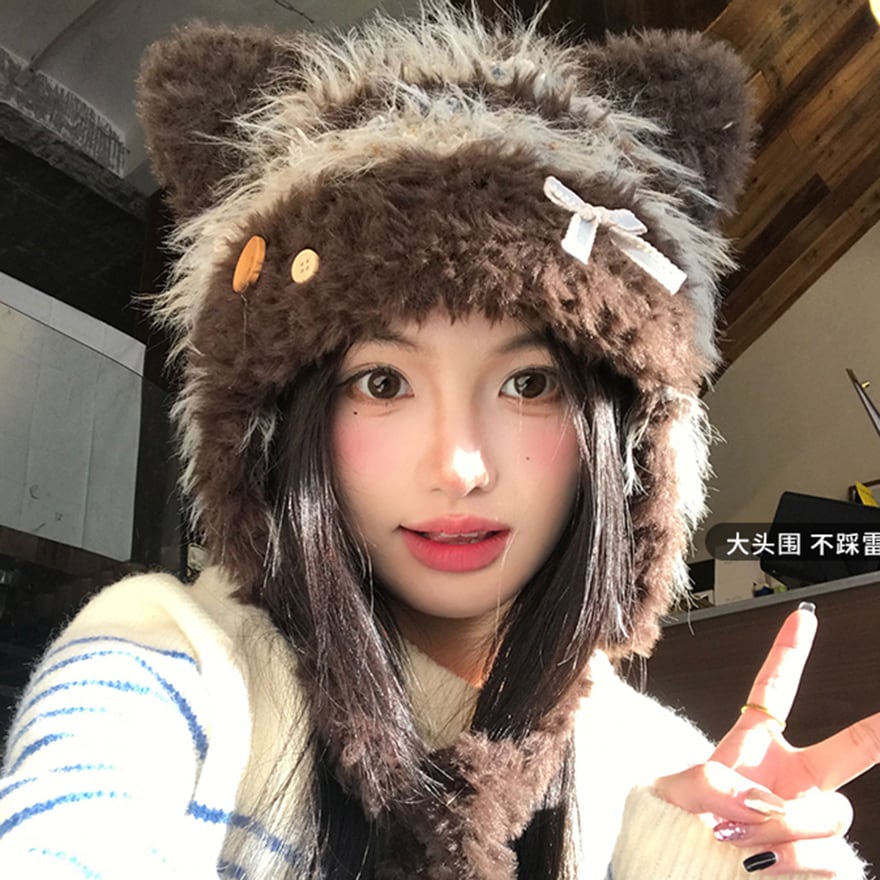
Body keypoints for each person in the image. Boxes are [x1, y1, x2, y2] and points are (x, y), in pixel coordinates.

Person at [1, 3, 877, 878]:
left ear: (629, 447)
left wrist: (698, 861)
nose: (460, 468)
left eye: (529, 384)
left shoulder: (661, 772)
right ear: (278, 428)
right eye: (383, 383)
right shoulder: (172, 672)